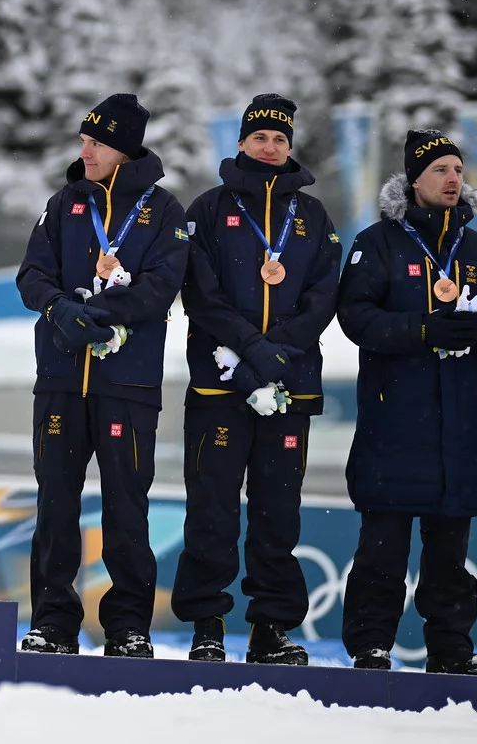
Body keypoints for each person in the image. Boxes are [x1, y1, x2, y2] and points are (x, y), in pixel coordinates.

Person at [14, 93, 188, 656]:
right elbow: (32, 275)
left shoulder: (164, 211)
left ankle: (128, 626)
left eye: (94, 142)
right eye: (84, 140)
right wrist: (62, 310)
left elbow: (162, 286)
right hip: (63, 379)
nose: (83, 150)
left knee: (126, 508)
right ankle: (53, 622)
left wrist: (99, 316)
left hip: (128, 385)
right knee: (56, 505)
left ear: (122, 147)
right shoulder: (65, 203)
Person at [336, 130, 477, 674]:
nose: (453, 179)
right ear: (414, 179)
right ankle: (371, 645)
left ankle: (451, 650)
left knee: (449, 556)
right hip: (394, 421)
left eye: (459, 170)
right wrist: (424, 331)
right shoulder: (377, 242)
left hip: (459, 426)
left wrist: (476, 330)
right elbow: (356, 318)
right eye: (440, 169)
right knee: (382, 552)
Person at [171, 93, 342, 665]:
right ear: (241, 142)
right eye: (260, 137)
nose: (270, 147)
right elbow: (201, 294)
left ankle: (272, 628)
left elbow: (324, 295)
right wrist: (252, 351)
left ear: (290, 148)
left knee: (278, 511)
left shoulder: (313, 216)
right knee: (212, 508)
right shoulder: (209, 208)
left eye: (280, 139)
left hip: (290, 382)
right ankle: (207, 623)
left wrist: (279, 353)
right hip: (221, 383)